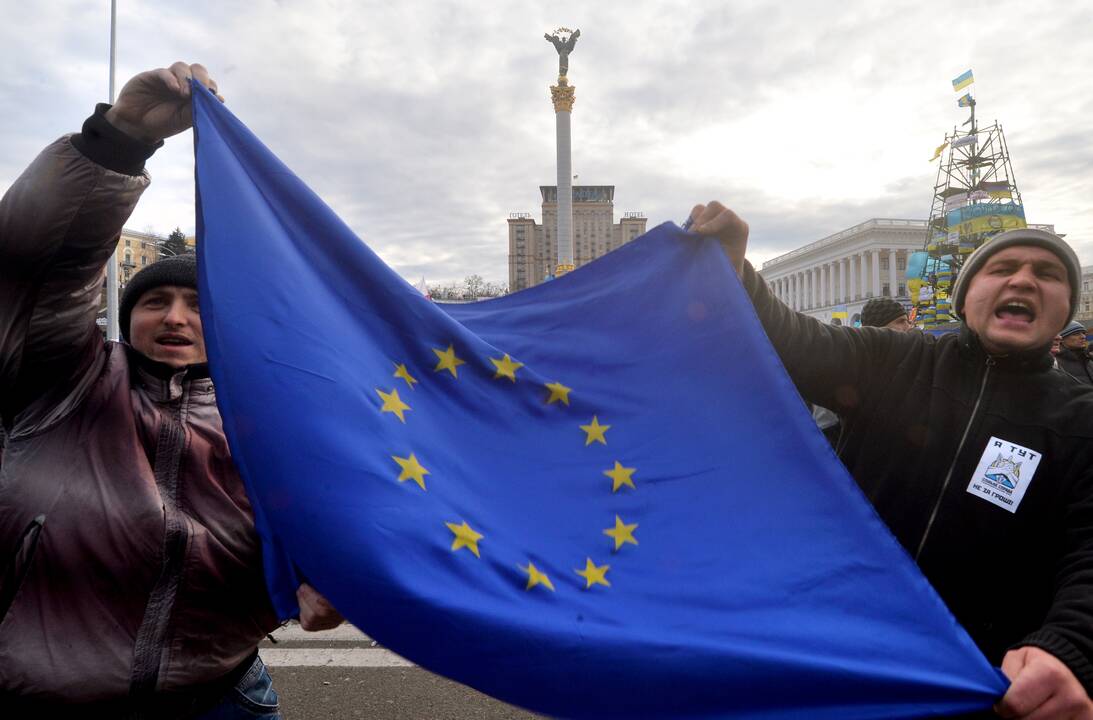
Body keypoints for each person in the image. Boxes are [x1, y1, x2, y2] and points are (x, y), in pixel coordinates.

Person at [0, 62, 341, 717]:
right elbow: (33, 265)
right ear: (126, 319)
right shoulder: (60, 380)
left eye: (198, 302)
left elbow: (321, 523)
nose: (177, 317)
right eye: (155, 301)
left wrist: (326, 578)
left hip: (222, 696)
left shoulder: (274, 418)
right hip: (42, 690)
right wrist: (118, 140)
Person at [690, 202, 1093, 719]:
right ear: (965, 297)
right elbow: (792, 340)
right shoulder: (896, 362)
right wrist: (735, 273)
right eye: (1001, 269)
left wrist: (1066, 647)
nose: (1024, 281)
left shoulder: (1080, 420)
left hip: (973, 683)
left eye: (1047, 274)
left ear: (1065, 309)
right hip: (842, 651)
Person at [1056, 320, 1093, 385]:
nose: (1083, 337)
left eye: (1083, 333)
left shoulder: (1088, 360)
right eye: (1076, 334)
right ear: (1062, 339)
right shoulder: (1056, 364)